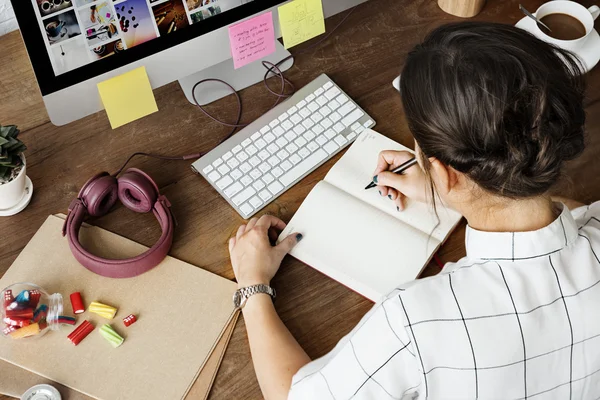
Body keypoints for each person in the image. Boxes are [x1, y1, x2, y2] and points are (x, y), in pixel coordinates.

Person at [228, 22, 600, 399]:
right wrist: (453, 192)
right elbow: (573, 212)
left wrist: (252, 285)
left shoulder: (416, 323)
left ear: (441, 170)